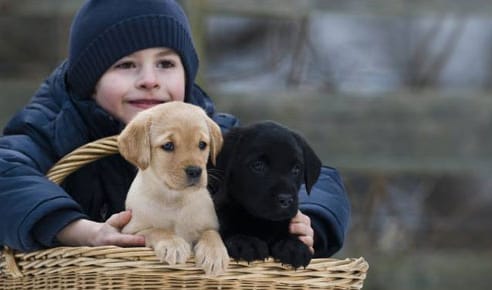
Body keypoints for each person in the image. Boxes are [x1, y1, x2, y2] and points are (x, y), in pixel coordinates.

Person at [0, 0, 350, 258]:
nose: (150, 80)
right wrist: (79, 230)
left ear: (187, 72)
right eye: (126, 65)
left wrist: (309, 222)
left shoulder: (214, 134)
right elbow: (6, 173)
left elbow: (313, 176)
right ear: (89, 82)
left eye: (166, 63)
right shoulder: (55, 128)